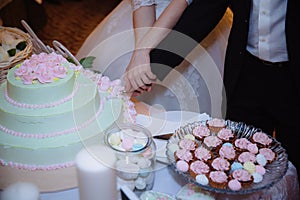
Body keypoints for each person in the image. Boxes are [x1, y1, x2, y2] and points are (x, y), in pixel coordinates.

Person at [123, 0, 300, 181]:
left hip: (294, 82)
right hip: (246, 74)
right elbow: (204, 13)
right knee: (240, 160)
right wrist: (152, 66)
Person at [76, 0, 233, 115]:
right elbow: (143, 3)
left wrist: (144, 54)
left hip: (192, 20)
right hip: (139, 18)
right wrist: (140, 53)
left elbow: (180, 3)